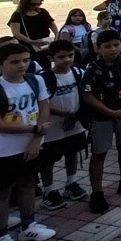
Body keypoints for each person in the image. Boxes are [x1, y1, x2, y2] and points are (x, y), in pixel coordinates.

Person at [0, 42, 57, 241]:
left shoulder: (35, 80)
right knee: (2, 192)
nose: (22, 65)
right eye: (15, 62)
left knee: (28, 184)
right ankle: (1, 235)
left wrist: (36, 140)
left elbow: (44, 108)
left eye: (26, 60)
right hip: (2, 150)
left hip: (31, 144)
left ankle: (28, 225)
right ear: (0, 64)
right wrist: (34, 130)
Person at [81, 30, 121, 214]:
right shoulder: (93, 68)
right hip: (101, 116)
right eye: (107, 46)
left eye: (116, 45)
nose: (113, 49)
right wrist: (109, 112)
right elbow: (88, 96)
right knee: (99, 152)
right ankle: (97, 193)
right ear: (98, 48)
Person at [38, 40, 88, 211]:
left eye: (70, 56)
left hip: (75, 124)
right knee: (48, 160)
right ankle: (49, 190)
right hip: (52, 127)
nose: (67, 60)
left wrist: (77, 115)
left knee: (72, 152)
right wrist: (66, 114)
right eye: (61, 57)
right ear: (51, 57)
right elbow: (43, 103)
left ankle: (71, 183)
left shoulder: (78, 72)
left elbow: (85, 94)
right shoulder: (44, 78)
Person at [7, 0, 58, 72]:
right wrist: (31, 41)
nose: (36, 6)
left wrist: (56, 34)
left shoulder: (43, 12)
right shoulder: (18, 15)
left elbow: (51, 23)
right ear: (26, 3)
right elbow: (16, 33)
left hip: (43, 44)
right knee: (31, 67)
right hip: (27, 45)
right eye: (33, 4)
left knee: (46, 66)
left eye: (39, 4)